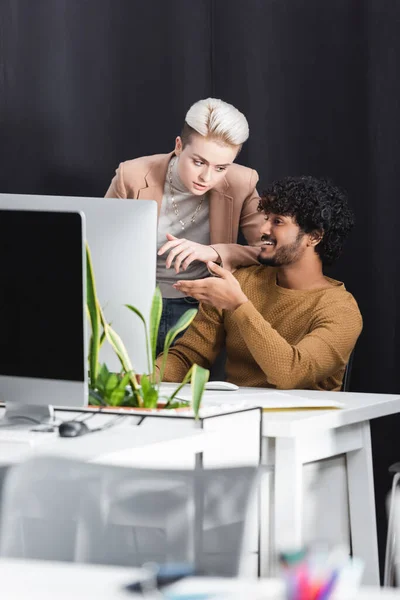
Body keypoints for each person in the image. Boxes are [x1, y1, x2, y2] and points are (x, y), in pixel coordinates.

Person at [156, 176, 363, 391]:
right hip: (236, 416)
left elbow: (292, 374)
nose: (263, 229)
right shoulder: (241, 281)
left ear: (314, 237)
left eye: (278, 221)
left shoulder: (340, 309)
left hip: (303, 421)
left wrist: (238, 305)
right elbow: (188, 357)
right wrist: (136, 378)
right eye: (266, 218)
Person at [105, 98, 264, 354]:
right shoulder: (132, 176)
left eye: (221, 167)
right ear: (179, 146)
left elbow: (269, 249)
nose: (207, 177)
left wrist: (215, 251)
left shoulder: (241, 182)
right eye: (198, 162)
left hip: (201, 311)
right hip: (134, 306)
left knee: (187, 392)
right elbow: (97, 245)